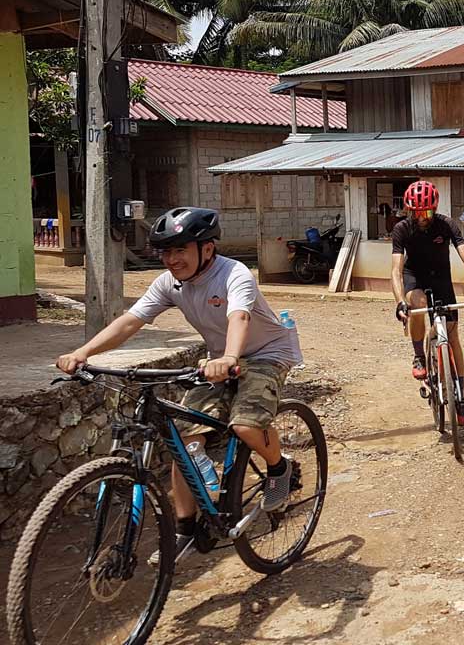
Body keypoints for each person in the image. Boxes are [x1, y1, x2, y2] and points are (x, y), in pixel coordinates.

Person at [55, 207, 302, 564]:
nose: (172, 259)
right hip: (218, 360)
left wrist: (231, 357)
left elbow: (240, 316)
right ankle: (186, 531)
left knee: (246, 424)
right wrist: (83, 352)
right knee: (183, 441)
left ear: (207, 248)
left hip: (265, 353)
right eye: (166, 251)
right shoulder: (168, 283)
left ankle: (280, 469)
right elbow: (130, 322)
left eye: (180, 249)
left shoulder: (235, 274)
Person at [391, 181, 464, 426]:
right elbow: (396, 270)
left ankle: (460, 398)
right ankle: (420, 355)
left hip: (442, 280)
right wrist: (400, 301)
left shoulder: (447, 225)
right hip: (414, 278)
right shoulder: (401, 229)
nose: (423, 218)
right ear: (409, 210)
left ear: (435, 209)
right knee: (418, 303)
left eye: (427, 212)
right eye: (417, 213)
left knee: (453, 337)